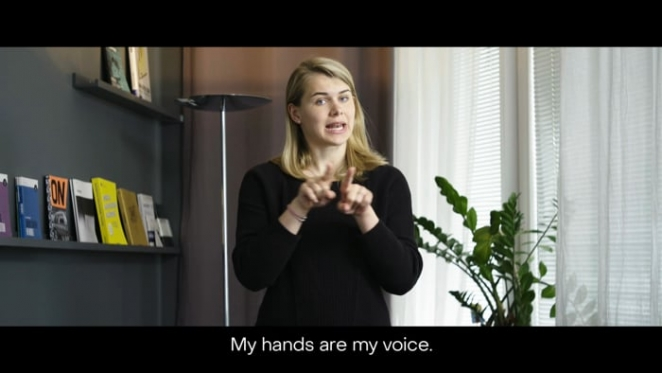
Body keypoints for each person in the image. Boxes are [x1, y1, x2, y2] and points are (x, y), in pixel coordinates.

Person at [232, 56, 423, 326]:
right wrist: (297, 209)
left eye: (344, 98)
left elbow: (403, 279)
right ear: (295, 113)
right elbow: (251, 275)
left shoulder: (387, 181)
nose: (337, 110)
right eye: (321, 100)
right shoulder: (263, 180)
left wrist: (366, 217)